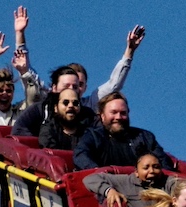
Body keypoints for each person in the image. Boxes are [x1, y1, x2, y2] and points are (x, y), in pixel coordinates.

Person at [11, 14, 144, 135]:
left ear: (85, 87)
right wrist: (20, 35)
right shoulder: (45, 102)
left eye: (78, 85)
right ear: (54, 87)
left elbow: (114, 84)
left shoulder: (88, 107)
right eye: (66, 85)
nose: (72, 89)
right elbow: (27, 72)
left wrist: (129, 52)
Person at [75, 94, 171, 171]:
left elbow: (164, 164)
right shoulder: (93, 136)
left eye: (123, 113)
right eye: (113, 112)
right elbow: (81, 155)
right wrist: (99, 173)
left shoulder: (145, 137)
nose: (118, 117)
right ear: (102, 116)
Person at [86, 149, 171, 207]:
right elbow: (90, 179)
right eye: (146, 168)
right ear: (136, 172)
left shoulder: (167, 182)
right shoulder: (126, 181)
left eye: (156, 167)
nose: (152, 171)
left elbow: (180, 187)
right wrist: (109, 191)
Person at [38, 84, 93, 152]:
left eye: (75, 103)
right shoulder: (49, 130)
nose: (70, 106)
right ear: (56, 108)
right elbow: (51, 154)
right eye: (65, 102)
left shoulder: (88, 132)